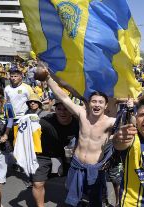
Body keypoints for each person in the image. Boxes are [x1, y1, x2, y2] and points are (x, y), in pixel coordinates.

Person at [40, 64, 116, 207]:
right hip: (76, 165)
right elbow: (63, 97)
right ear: (88, 103)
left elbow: (131, 125)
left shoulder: (110, 122)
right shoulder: (82, 114)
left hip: (95, 168)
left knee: (95, 201)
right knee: (73, 199)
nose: (97, 104)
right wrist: (48, 78)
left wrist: (131, 107)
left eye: (101, 102)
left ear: (106, 106)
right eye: (94, 101)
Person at [31, 100, 79, 207]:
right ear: (55, 110)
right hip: (43, 154)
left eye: (66, 109)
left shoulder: (77, 123)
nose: (62, 112)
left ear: (71, 110)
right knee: (38, 183)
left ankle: (74, 201)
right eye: (59, 109)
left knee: (72, 181)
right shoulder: (45, 122)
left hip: (65, 153)